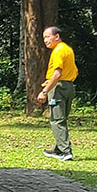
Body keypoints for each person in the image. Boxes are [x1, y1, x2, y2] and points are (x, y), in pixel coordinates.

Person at [37, 26, 77, 160]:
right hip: (69, 86)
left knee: (57, 120)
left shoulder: (58, 51)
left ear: (57, 36)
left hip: (58, 88)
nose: (46, 40)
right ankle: (58, 149)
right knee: (61, 119)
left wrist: (44, 91)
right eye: (44, 38)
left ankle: (66, 152)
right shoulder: (67, 49)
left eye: (48, 37)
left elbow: (57, 74)